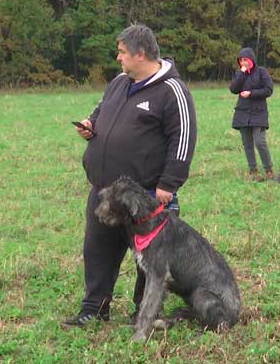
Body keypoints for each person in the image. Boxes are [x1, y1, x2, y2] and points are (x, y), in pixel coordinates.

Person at [63, 24, 197, 326]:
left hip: (146, 196)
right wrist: (90, 125)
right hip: (105, 191)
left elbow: (184, 138)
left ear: (140, 54)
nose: (118, 58)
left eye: (122, 52)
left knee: (149, 260)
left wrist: (168, 184)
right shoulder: (119, 82)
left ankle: (144, 313)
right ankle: (94, 310)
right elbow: (100, 112)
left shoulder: (173, 90)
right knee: (97, 249)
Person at [229, 47, 274, 182]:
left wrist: (251, 93)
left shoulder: (261, 72)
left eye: (245, 60)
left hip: (259, 113)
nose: (243, 63)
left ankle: (269, 169)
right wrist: (241, 74)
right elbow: (233, 89)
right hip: (242, 113)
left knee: (260, 142)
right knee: (247, 143)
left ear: (251, 60)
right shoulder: (239, 73)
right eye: (241, 60)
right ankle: (253, 170)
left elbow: (268, 89)